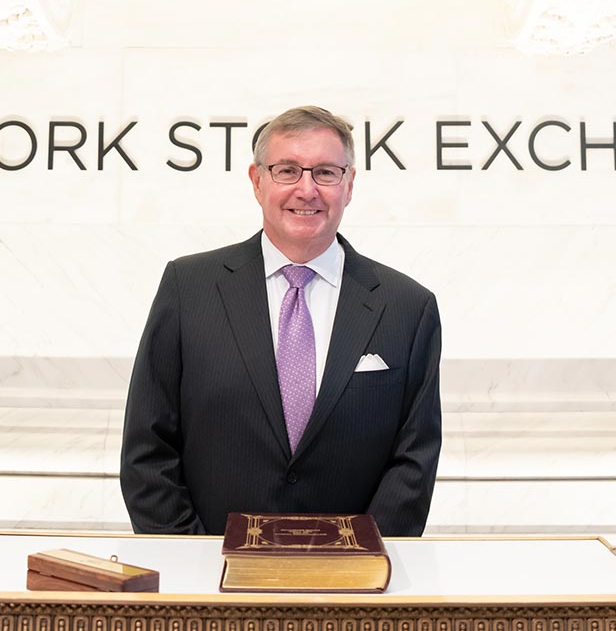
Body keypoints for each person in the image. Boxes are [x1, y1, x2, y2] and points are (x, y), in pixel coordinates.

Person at [120, 105, 442, 536]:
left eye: (326, 172)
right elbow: (148, 445)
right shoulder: (188, 287)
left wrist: (358, 565)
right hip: (210, 580)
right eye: (287, 170)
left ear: (349, 185)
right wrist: (191, 562)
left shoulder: (408, 307)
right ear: (257, 182)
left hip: (350, 586)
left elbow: (413, 460)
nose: (306, 190)